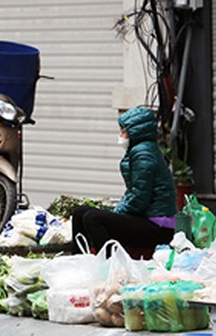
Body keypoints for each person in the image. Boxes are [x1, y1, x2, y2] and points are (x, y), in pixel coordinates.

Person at [70, 106, 176, 255]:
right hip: (146, 219)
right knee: (80, 212)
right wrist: (117, 212)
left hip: (157, 227)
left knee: (93, 218)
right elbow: (134, 192)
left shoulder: (143, 154)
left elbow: (140, 198)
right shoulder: (140, 150)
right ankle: (80, 260)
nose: (121, 135)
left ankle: (111, 265)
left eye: (124, 131)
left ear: (136, 132)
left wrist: (118, 212)